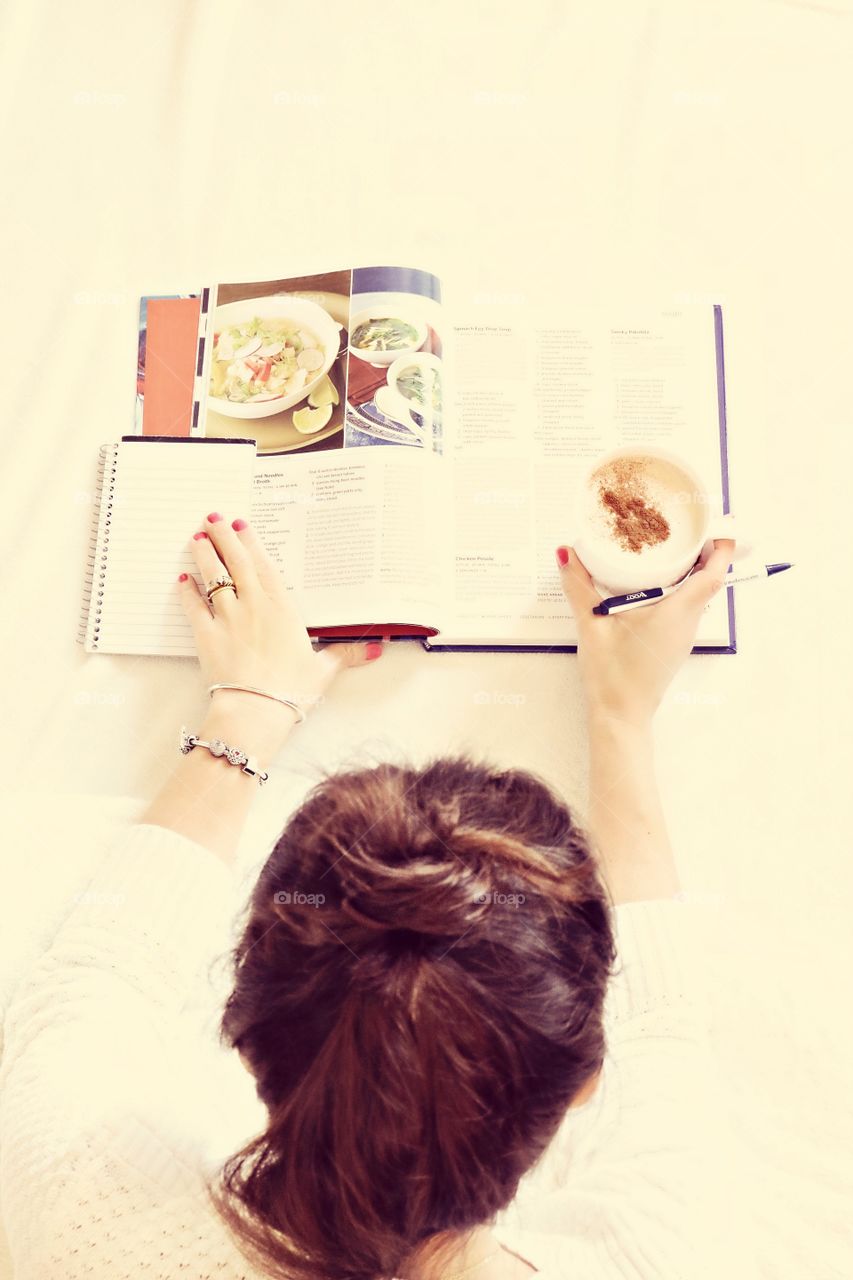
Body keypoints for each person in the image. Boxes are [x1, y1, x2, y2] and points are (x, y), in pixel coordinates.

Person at [0, 511, 736, 1280]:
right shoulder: (665, 1251)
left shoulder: (74, 1198)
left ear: (241, 1031)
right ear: (589, 1081)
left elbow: (100, 966)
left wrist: (248, 710)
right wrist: (620, 716)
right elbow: (664, 1025)